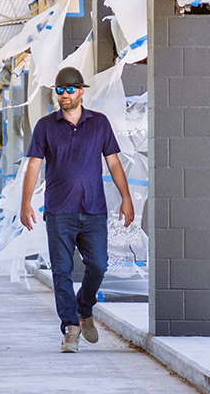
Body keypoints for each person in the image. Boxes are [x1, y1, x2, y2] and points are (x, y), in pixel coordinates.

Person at [20, 67, 134, 353]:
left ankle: (84, 307)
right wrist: (25, 203)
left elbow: (114, 163)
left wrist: (126, 198)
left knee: (98, 265)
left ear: (81, 92)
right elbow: (34, 164)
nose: (64, 95)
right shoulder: (46, 126)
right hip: (59, 211)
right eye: (59, 90)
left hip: (94, 209)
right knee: (62, 271)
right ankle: (70, 328)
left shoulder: (100, 123)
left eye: (70, 90)